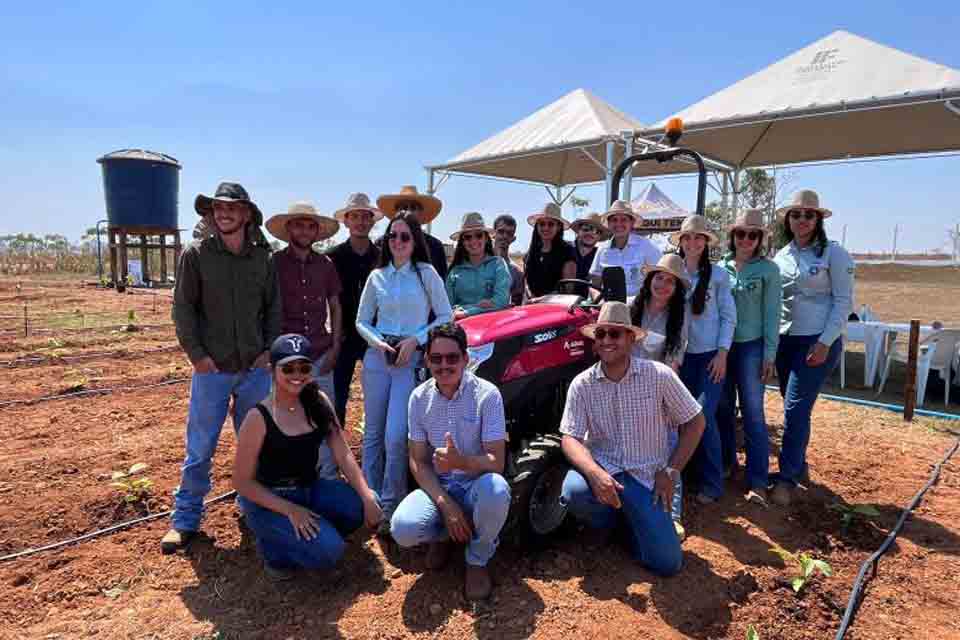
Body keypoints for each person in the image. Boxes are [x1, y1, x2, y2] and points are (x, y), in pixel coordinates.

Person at [164, 182, 281, 554]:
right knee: (200, 447)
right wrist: (197, 355)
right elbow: (183, 308)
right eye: (218, 207)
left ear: (246, 214)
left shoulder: (263, 257)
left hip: (254, 369)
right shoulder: (196, 254)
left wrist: (267, 351)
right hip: (212, 369)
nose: (224, 213)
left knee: (255, 444)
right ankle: (185, 519)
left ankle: (251, 507)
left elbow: (273, 308)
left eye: (232, 208)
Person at [559, 302, 704, 576]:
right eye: (600, 334)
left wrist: (672, 471)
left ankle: (633, 526)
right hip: (606, 470)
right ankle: (614, 521)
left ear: (630, 339)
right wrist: (593, 473)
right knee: (573, 491)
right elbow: (570, 437)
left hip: (647, 478)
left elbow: (696, 422)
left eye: (614, 334)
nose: (606, 341)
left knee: (667, 564)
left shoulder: (659, 376)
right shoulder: (582, 384)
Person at [233, 334, 382, 580]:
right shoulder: (258, 417)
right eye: (288, 368)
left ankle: (309, 535)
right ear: (272, 370)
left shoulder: (318, 401)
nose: (297, 374)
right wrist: (290, 510)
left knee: (362, 504)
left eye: (304, 367)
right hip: (270, 500)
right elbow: (241, 483)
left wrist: (366, 496)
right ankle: (275, 552)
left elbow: (342, 453)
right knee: (330, 551)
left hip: (309, 488)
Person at [391, 323, 511, 600]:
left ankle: (477, 559)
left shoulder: (487, 395)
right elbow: (418, 461)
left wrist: (461, 461)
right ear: (427, 360)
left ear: (466, 359)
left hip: (476, 486)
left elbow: (497, 462)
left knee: (497, 490)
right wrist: (446, 505)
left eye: (452, 357)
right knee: (403, 528)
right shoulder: (418, 399)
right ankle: (444, 536)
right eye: (436, 358)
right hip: (440, 487)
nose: (444, 365)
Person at [356, 212, 453, 532]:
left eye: (404, 236)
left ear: (415, 241)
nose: (397, 242)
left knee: (396, 435)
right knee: (372, 434)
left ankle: (391, 503)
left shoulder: (426, 273)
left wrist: (417, 340)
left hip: (408, 362)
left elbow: (445, 316)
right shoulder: (377, 276)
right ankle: (368, 500)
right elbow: (361, 320)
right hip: (377, 358)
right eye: (392, 236)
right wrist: (377, 342)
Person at [772, 190, 854, 506]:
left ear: (818, 220)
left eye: (809, 215)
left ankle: (787, 478)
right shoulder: (781, 256)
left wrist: (825, 341)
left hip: (816, 341)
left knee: (795, 408)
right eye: (796, 214)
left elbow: (843, 302)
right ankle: (799, 466)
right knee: (794, 407)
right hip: (785, 341)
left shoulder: (834, 253)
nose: (802, 220)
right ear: (788, 219)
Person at [717, 209, 782, 504]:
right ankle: (728, 464)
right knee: (724, 407)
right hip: (723, 346)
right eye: (741, 233)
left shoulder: (769, 270)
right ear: (733, 236)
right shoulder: (721, 267)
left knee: (753, 413)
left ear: (760, 239)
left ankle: (757, 480)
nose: (746, 239)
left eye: (753, 235)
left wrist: (770, 354)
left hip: (752, 347)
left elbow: (772, 315)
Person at [671, 215, 737, 504]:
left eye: (699, 237)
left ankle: (713, 482)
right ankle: (687, 474)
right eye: (688, 237)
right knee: (681, 415)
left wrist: (723, 353)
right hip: (683, 357)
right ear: (681, 242)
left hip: (710, 356)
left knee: (702, 417)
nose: (693, 242)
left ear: (706, 243)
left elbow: (728, 315)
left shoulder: (719, 276)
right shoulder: (674, 272)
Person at [328, 193, 383, 426]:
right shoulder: (333, 257)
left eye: (365, 216)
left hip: (374, 336)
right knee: (337, 396)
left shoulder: (381, 257)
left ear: (372, 221)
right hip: (343, 336)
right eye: (355, 216)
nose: (361, 221)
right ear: (346, 221)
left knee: (377, 396)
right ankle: (334, 455)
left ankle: (373, 450)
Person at [589, 200, 662, 299]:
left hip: (638, 307)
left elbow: (661, 275)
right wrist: (599, 300)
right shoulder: (602, 249)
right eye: (614, 220)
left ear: (631, 223)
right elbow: (594, 284)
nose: (618, 224)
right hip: (608, 306)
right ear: (609, 224)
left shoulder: (646, 246)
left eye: (624, 219)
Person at [630, 254, 690, 370]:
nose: (662, 284)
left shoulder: (680, 315)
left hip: (657, 376)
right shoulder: (630, 306)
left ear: (676, 289)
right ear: (650, 279)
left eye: (670, 281)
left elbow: (676, 352)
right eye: (659, 278)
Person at [446, 212, 511, 319]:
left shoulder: (498, 264)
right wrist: (483, 305)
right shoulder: (454, 271)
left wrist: (466, 311)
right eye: (468, 237)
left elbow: (501, 301)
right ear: (462, 242)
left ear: (486, 238)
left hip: (492, 328)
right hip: (462, 328)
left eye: (478, 235)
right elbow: (447, 307)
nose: (473, 241)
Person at [377, 185, 448, 280]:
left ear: (421, 213)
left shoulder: (435, 246)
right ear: (396, 213)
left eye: (413, 207)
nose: (408, 211)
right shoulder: (381, 243)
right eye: (403, 207)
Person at [523, 203, 576, 298]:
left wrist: (541, 300)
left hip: (557, 306)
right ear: (537, 227)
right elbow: (527, 285)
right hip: (532, 305)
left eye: (551, 224)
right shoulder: (530, 253)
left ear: (558, 227)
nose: (546, 228)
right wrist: (532, 298)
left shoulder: (568, 251)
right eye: (542, 224)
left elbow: (568, 288)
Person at [492, 214, 524, 306]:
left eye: (509, 233)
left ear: (513, 238)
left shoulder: (516, 272)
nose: (504, 236)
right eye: (501, 231)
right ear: (493, 233)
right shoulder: (480, 263)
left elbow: (517, 306)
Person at [570, 212, 610, 282]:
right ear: (579, 231)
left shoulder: (602, 257)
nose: (589, 233)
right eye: (586, 229)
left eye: (596, 231)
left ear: (599, 237)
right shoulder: (565, 251)